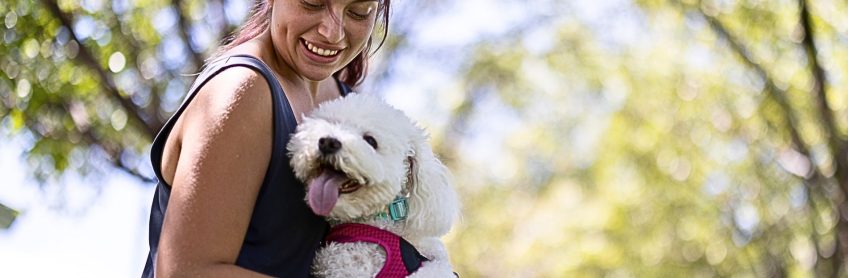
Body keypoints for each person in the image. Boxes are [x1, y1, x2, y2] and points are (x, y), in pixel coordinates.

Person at [141, 0, 391, 276]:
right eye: (313, 3)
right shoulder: (242, 90)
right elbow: (185, 272)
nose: (333, 33)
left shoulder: (346, 104)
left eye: (359, 12)